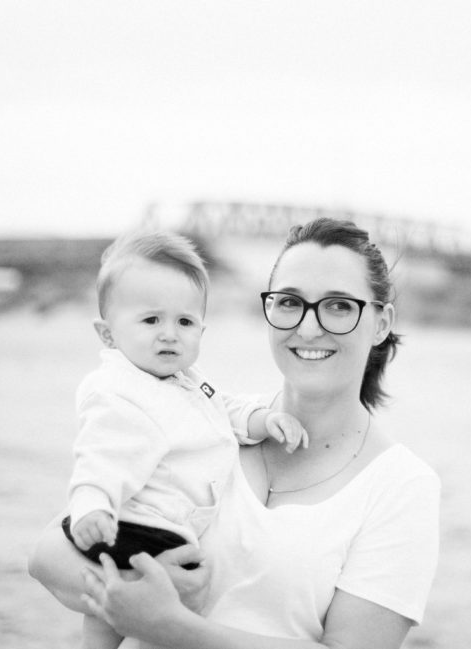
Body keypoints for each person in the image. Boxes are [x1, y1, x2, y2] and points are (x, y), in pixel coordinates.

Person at [29, 218, 441, 649]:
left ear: (380, 322)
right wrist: (134, 584)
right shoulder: (204, 417)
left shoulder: (401, 485)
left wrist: (171, 625)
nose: (309, 327)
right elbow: (46, 557)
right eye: (289, 302)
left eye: (339, 306)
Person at [62, 230, 307, 649]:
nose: (170, 333)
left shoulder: (186, 380)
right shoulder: (119, 392)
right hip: (132, 526)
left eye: (185, 322)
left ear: (201, 330)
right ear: (107, 335)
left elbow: (224, 408)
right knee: (126, 611)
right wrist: (92, 507)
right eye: (151, 320)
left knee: (137, 612)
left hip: (166, 529)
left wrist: (264, 420)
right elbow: (97, 458)